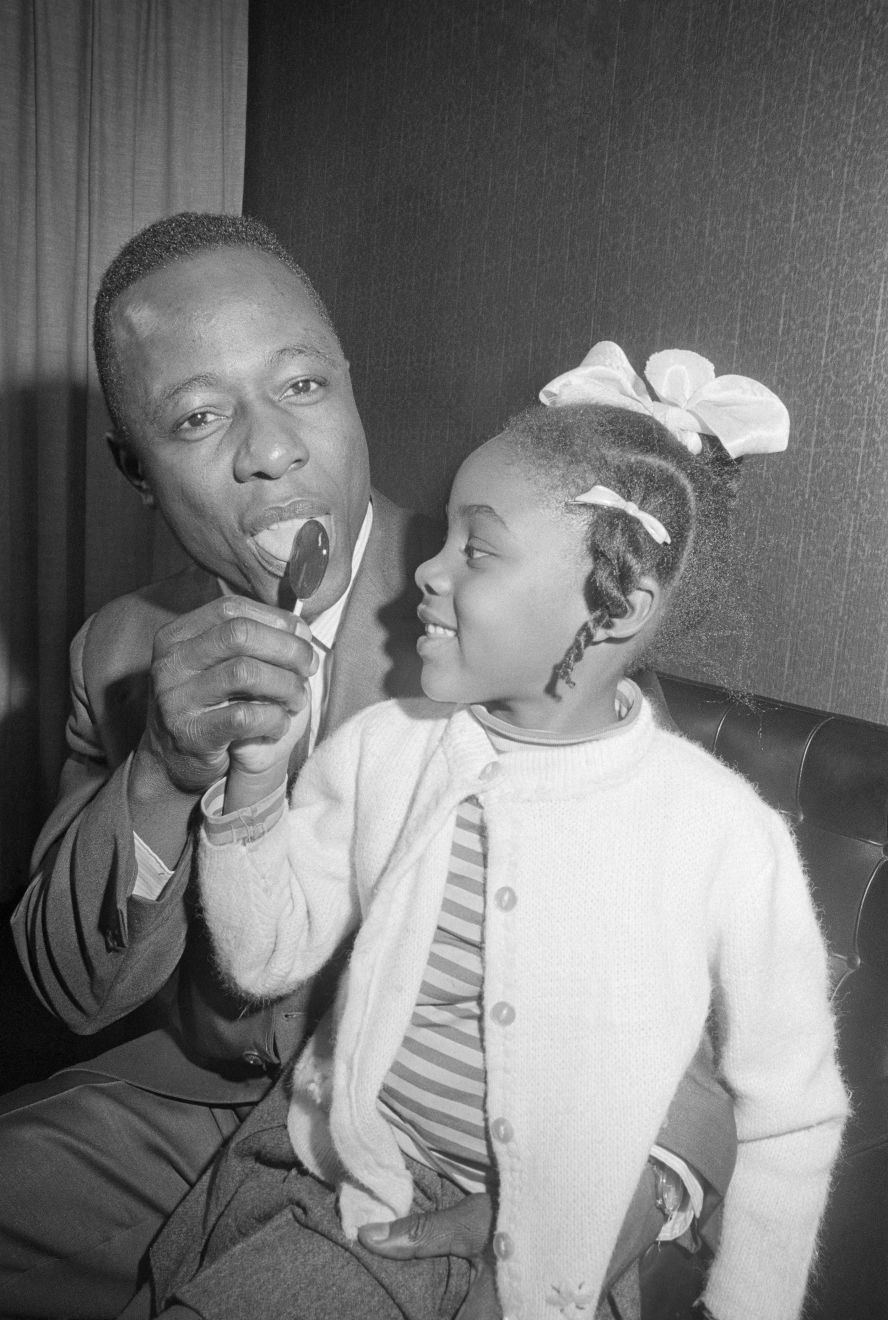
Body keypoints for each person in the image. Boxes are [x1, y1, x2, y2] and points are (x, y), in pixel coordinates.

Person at [0, 220, 729, 1320]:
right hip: (195, 1114)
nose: (273, 449)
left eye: (300, 384)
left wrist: (619, 1192)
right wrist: (158, 765)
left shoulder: (525, 597)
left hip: (451, 1149)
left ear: (350, 389)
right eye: (198, 417)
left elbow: (690, 981)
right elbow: (70, 985)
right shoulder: (114, 650)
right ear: (135, 472)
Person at [143, 344, 848, 1320]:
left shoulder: (722, 835)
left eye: (476, 549)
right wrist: (254, 797)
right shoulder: (388, 749)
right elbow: (265, 960)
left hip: (501, 1241)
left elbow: (789, 1114)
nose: (422, 572)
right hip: (308, 1158)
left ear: (614, 606)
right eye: (443, 538)